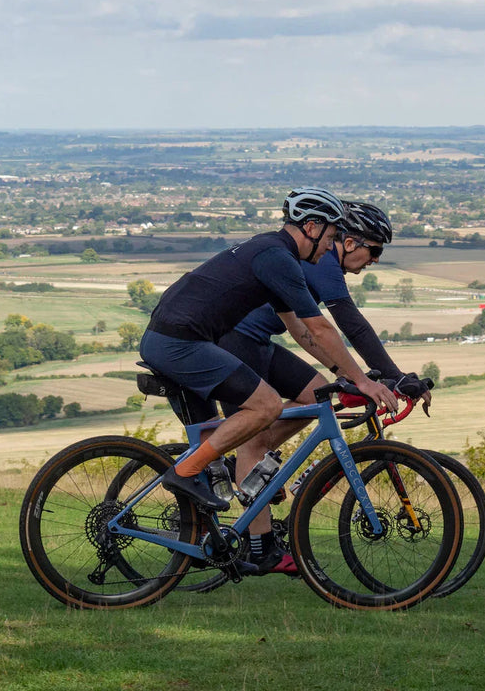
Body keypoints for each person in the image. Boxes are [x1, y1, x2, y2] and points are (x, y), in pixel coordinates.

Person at [138, 188, 399, 532]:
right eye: (330, 237)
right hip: (178, 342)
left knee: (299, 400)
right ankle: (187, 473)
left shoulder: (277, 254)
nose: (329, 247)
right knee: (267, 406)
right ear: (311, 227)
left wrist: (345, 374)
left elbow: (301, 331)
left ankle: (231, 463)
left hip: (182, 338)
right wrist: (362, 381)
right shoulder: (277, 257)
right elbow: (321, 328)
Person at [215, 201, 431, 571]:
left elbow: (307, 334)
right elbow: (351, 324)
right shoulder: (324, 264)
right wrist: (392, 376)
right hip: (233, 344)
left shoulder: (320, 262)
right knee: (253, 440)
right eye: (374, 250)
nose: (375, 260)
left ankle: (250, 464)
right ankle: (259, 549)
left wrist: (344, 373)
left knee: (320, 397)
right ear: (349, 242)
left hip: (258, 343)